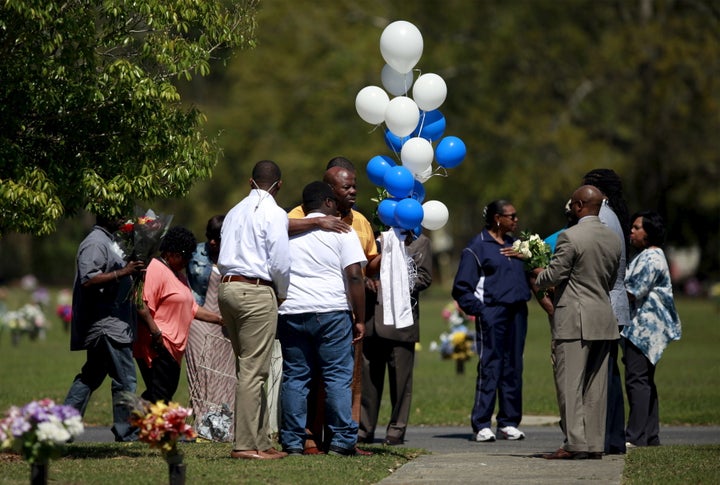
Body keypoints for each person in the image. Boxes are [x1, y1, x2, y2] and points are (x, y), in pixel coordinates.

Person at [287, 161, 379, 454]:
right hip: (331, 311)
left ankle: (292, 442)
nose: (353, 191)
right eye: (346, 187)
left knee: (295, 378)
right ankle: (341, 441)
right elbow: (354, 275)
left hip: (291, 311)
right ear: (329, 199)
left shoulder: (287, 230)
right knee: (338, 377)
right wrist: (359, 318)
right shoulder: (342, 230)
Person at [534, 185, 622, 460]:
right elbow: (608, 280)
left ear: (580, 205)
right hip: (603, 317)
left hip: (574, 319)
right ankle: (594, 444)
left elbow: (555, 274)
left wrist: (538, 274)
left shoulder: (569, 237)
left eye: (573, 203)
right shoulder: (613, 239)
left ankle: (575, 443)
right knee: (597, 387)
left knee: (569, 384)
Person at [217, 159, 291, 461]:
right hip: (255, 289)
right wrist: (282, 293)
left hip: (227, 287)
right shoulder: (275, 213)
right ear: (279, 185)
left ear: (250, 182)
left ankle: (261, 440)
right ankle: (246, 445)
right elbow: (280, 262)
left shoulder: (234, 211)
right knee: (253, 370)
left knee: (249, 368)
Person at [451, 200, 532, 442]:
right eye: (512, 216)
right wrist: (482, 311)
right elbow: (461, 289)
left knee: (513, 366)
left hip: (518, 312)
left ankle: (508, 422)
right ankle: (482, 423)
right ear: (498, 218)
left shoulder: (514, 246)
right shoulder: (477, 247)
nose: (516, 220)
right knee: (491, 365)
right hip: (493, 314)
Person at [63, 214, 145, 442]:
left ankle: (63, 426)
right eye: (118, 214)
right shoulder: (95, 242)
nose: (124, 218)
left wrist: (133, 271)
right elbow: (88, 279)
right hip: (107, 325)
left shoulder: (109, 241)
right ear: (105, 217)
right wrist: (123, 272)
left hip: (112, 322)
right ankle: (126, 430)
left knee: (91, 376)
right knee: (125, 379)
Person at [134, 226, 223, 403]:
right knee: (160, 396)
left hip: (174, 348)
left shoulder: (178, 276)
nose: (188, 260)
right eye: (186, 255)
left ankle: (132, 425)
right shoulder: (156, 269)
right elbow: (141, 304)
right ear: (171, 252)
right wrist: (156, 333)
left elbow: (192, 308)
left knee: (161, 394)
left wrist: (221, 320)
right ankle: (130, 426)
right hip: (159, 344)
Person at [359, 230, 432, 445]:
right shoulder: (376, 238)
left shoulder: (421, 242)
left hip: (401, 323)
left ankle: (396, 429)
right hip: (373, 320)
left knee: (401, 382)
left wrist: (395, 284)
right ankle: (364, 429)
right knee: (369, 381)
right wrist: (365, 281)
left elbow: (425, 277)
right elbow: (362, 267)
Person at [582, 168, 631, 455]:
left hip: (604, 303)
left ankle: (604, 436)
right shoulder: (613, 215)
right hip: (616, 302)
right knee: (610, 374)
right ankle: (613, 436)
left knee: (601, 375)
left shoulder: (601, 218)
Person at [623, 211, 681, 448]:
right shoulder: (651, 256)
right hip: (645, 329)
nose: (632, 231)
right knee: (645, 380)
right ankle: (650, 435)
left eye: (637, 228)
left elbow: (631, 291)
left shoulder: (651, 258)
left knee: (637, 380)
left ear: (649, 233)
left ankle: (635, 436)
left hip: (643, 331)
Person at [185, 215, 237, 442]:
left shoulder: (238, 254)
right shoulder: (195, 254)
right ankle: (203, 427)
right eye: (209, 238)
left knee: (225, 377)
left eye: (217, 238)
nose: (212, 243)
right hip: (200, 321)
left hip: (226, 326)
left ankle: (224, 429)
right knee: (202, 375)